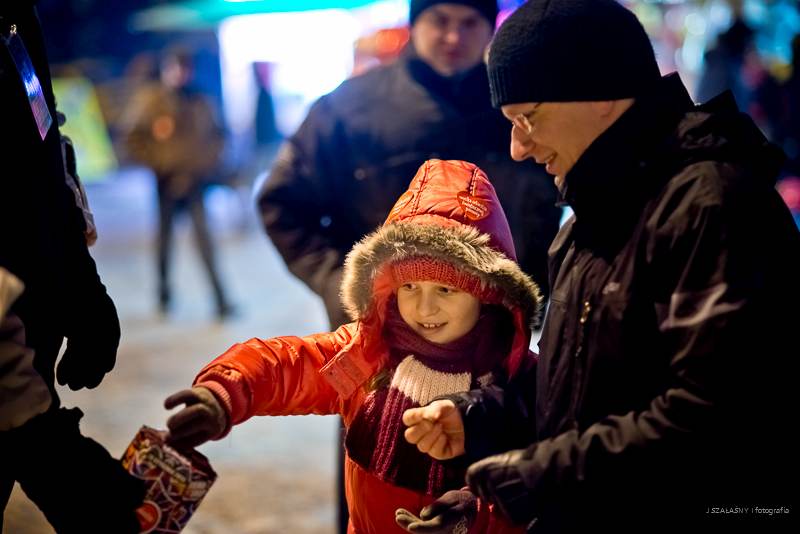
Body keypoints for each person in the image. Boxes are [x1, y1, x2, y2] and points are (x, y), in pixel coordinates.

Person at [402, 1, 800, 532]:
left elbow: (717, 416)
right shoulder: (593, 211)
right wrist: (482, 425)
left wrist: (539, 477)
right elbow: (582, 384)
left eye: (527, 118)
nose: (518, 148)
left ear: (601, 96)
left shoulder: (712, 207)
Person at [163, 159, 543, 533]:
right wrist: (224, 392)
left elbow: (540, 484)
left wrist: (476, 516)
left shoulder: (519, 379)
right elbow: (286, 365)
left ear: (488, 294)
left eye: (446, 289)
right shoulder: (367, 356)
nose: (425, 308)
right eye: (410, 287)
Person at [258, 0, 561, 331]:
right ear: (414, 24)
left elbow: (549, 195)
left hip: (492, 331)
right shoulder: (347, 107)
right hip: (379, 329)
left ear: (490, 29)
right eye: (440, 20)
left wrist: (532, 285)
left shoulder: (516, 108)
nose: (453, 37)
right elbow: (281, 203)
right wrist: (338, 281)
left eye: (469, 23)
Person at [1, 2, 144, 531]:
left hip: (29, 349)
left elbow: (40, 155)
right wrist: (35, 428)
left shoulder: (16, 18)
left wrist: (80, 284)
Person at [122, 46, 233, 320]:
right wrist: (161, 165)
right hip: (167, 184)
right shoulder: (152, 101)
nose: (181, 74)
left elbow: (218, 136)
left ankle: (220, 300)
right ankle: (163, 295)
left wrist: (205, 165)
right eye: (175, 68)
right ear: (166, 69)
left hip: (194, 183)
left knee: (205, 242)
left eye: (185, 68)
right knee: (164, 243)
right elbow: (132, 138)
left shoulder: (199, 100)